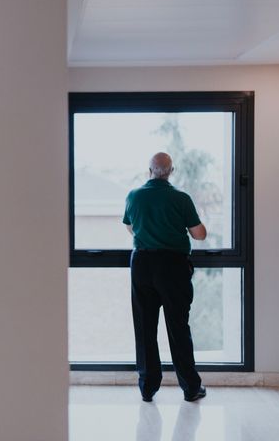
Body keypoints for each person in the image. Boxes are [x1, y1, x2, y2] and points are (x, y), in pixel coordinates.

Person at [122, 152, 207, 403]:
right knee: (178, 326)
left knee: (145, 326)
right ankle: (191, 388)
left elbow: (130, 227)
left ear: (149, 170)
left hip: (142, 264)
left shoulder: (134, 196)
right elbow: (199, 234)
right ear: (171, 171)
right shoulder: (180, 198)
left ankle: (147, 387)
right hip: (172, 266)